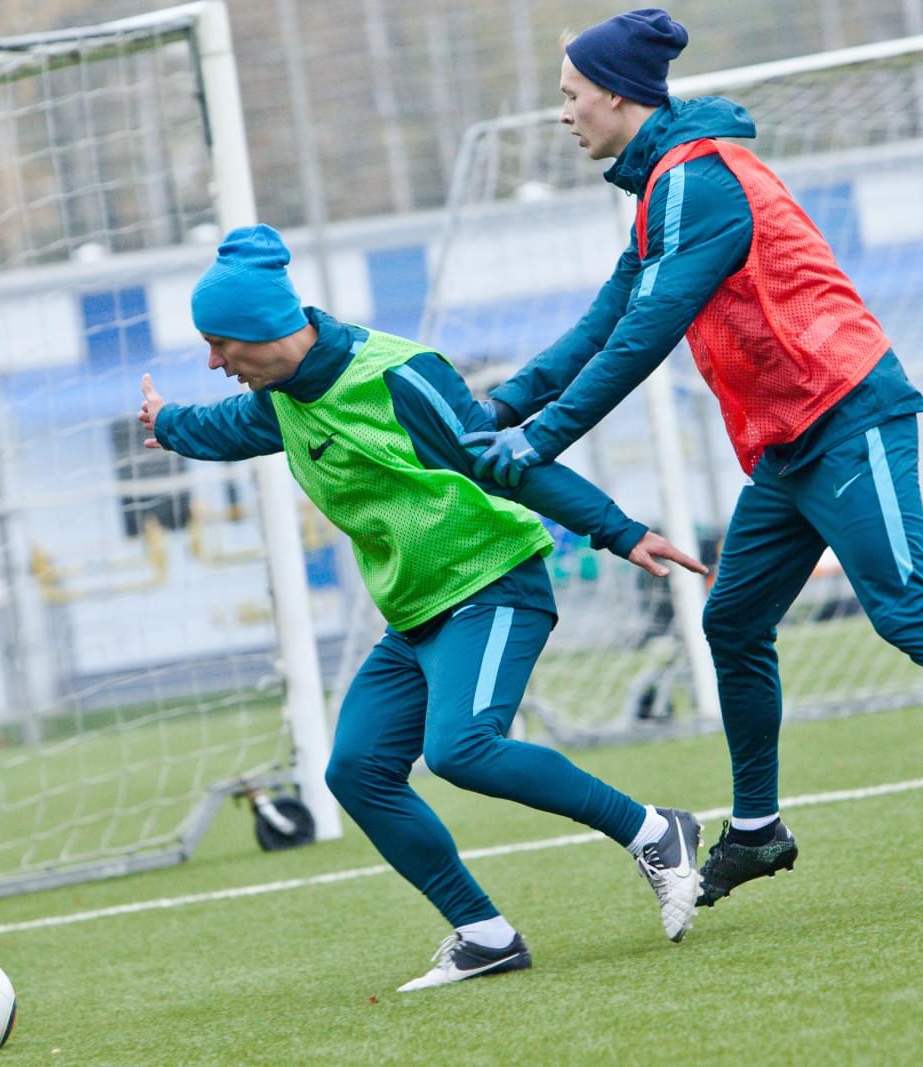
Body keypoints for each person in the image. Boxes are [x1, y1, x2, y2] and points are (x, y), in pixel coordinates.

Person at [462, 9, 923, 903]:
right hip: (792, 444)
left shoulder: (698, 179)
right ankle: (757, 830)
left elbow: (646, 330)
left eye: (570, 95)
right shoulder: (663, 187)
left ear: (618, 95)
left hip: (850, 415)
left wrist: (542, 437)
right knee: (733, 621)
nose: (562, 113)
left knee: (906, 609)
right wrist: (502, 408)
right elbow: (604, 318)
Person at [140, 223, 709, 992]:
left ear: (264, 329)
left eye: (218, 344)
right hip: (416, 614)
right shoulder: (280, 400)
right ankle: (485, 934)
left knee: (462, 747)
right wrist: (167, 423)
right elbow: (224, 427)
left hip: (494, 583)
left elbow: (505, 464)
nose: (214, 362)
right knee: (356, 770)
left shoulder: (400, 375)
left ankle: (654, 829)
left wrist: (620, 530)